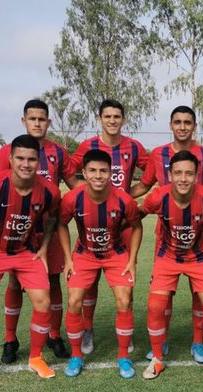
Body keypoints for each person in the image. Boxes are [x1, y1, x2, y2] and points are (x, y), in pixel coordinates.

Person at [0, 135, 61, 386]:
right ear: (10, 158)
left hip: (26, 253)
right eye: (20, 158)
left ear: (38, 161)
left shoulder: (49, 191)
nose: (25, 164)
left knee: (43, 300)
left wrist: (44, 247)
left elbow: (52, 218)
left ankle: (36, 358)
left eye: (31, 159)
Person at [131, 105, 203, 363]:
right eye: (177, 122)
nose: (182, 127)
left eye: (187, 122)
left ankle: (197, 343)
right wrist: (120, 199)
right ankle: (163, 342)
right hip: (167, 236)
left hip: (198, 237)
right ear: (171, 125)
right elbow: (144, 185)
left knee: (199, 293)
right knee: (164, 294)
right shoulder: (159, 154)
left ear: (194, 126)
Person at [140, 150, 203, 381]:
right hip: (168, 257)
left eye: (189, 174)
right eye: (178, 173)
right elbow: (136, 216)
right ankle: (157, 359)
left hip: (200, 257)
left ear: (196, 177)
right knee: (156, 305)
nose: (183, 178)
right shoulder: (157, 197)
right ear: (170, 175)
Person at [0, 99, 78, 363]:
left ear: (48, 122)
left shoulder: (59, 153)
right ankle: (10, 339)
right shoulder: (9, 151)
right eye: (32, 119)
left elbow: (75, 184)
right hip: (18, 231)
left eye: (42, 119)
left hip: (49, 230)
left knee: (53, 281)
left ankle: (54, 335)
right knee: (15, 282)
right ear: (24, 121)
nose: (37, 123)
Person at [71, 99, 149, 355]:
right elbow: (69, 171)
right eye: (107, 116)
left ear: (123, 120)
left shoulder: (133, 146)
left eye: (117, 116)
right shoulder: (87, 147)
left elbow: (151, 174)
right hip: (94, 220)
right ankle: (88, 328)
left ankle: (127, 334)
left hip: (122, 221)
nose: (112, 121)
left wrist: (130, 194)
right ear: (99, 119)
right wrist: (85, 195)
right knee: (88, 282)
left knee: (126, 283)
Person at [58, 150, 143, 379]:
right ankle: (77, 355)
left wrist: (132, 260)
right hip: (84, 254)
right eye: (92, 170)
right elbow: (61, 224)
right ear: (83, 172)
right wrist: (68, 259)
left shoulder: (124, 200)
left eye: (103, 170)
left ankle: (124, 357)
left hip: (116, 254)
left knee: (124, 300)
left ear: (111, 173)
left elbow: (137, 227)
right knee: (75, 300)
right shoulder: (72, 198)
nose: (98, 175)